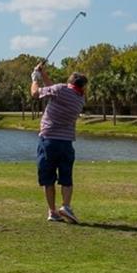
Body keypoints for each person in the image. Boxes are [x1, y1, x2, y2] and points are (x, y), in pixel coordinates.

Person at [30, 64, 86, 224]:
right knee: (66, 177)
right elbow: (53, 89)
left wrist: (35, 78)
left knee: (48, 178)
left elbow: (35, 93)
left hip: (48, 140)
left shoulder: (60, 90)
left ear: (70, 81)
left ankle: (52, 211)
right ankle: (66, 206)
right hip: (66, 143)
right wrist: (44, 74)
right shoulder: (79, 98)